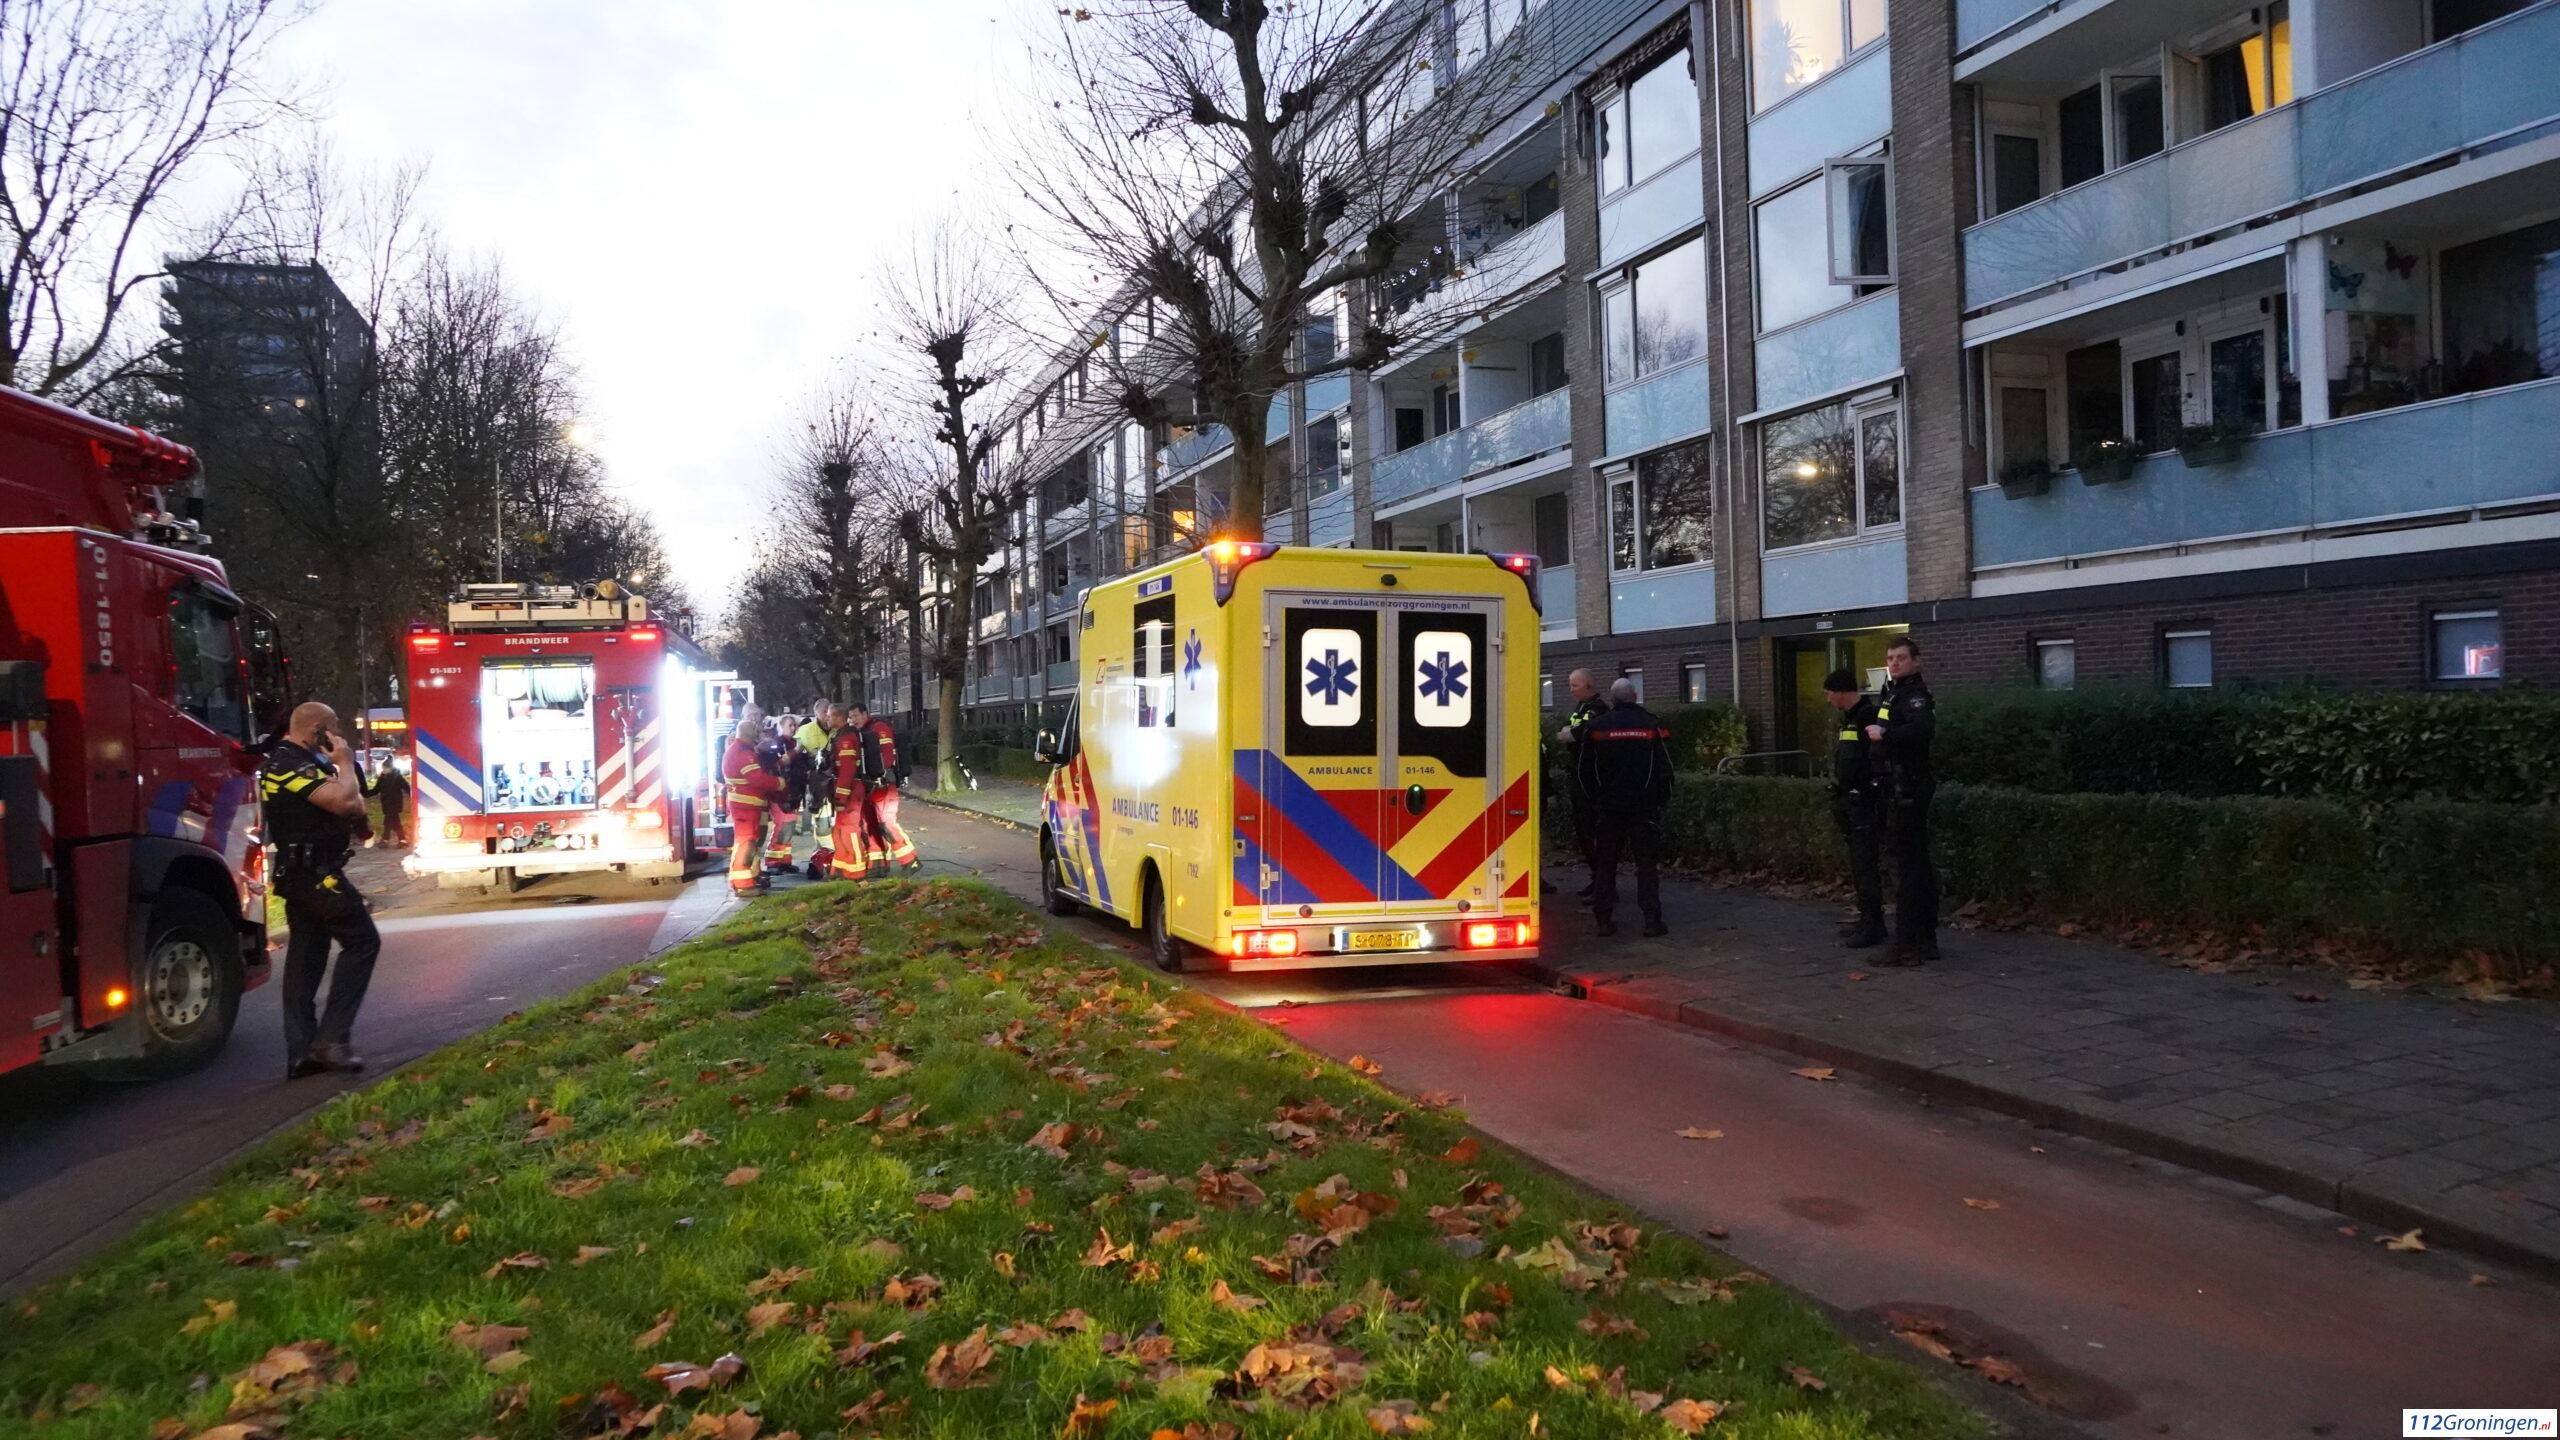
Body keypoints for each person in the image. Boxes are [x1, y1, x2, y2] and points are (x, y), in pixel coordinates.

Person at [260, 702, 379, 1079]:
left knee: (306, 958)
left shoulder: (299, 761)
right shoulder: (288, 763)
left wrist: (344, 776)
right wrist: (344, 762)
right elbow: (345, 801)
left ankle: (302, 1053)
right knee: (362, 942)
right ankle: (331, 1040)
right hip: (316, 875)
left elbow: (356, 806)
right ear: (318, 731)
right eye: (334, 728)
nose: (338, 735)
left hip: (304, 875)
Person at [1577, 677, 1672, 938]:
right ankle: (1652, 921)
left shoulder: (1596, 728)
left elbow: (1584, 772)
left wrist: (1593, 802)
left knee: (1606, 864)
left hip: (1608, 808)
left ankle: (1604, 920)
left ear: (1613, 699)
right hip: (1644, 808)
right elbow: (1666, 768)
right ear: (1635, 696)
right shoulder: (1652, 725)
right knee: (1646, 865)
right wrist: (1660, 800)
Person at [1867, 634, 1939, 965]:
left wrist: (1885, 735)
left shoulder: (1914, 696)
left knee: (1910, 869)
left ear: (1916, 661)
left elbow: (1921, 731)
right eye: (1890, 658)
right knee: (1910, 865)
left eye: (1901, 657)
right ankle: (1921, 941)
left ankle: (1910, 943)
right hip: (1894, 787)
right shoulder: (1892, 693)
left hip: (1907, 789)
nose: (1894, 663)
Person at [1824, 669, 1887, 950]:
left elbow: (1873, 760)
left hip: (1863, 803)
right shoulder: (1850, 719)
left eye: (1828, 693)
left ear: (1840, 691)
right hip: (1850, 802)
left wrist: (1865, 790)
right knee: (1858, 865)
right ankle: (1866, 920)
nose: (1827, 699)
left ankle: (1873, 925)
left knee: (1866, 865)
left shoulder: (1866, 717)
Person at [846, 702, 920, 874]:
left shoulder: (879, 728)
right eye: (850, 717)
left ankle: (910, 859)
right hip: (868, 786)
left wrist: (882, 775)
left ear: (865, 714)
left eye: (855, 716)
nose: (853, 720)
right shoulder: (860, 733)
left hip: (883, 784)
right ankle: (877, 863)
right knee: (869, 825)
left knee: (886, 823)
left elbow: (887, 754)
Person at [1552, 668, 1605, 897]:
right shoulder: (1581, 708)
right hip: (1579, 776)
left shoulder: (1598, 709)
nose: (1571, 690)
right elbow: (1572, 731)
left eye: (1575, 685)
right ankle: (1598, 879)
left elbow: (1581, 732)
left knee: (1591, 831)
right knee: (1583, 831)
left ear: (1588, 686)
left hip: (1590, 781)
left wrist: (1569, 734)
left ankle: (1602, 883)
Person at [722, 717, 785, 896]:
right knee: (746, 843)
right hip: (745, 807)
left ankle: (744, 879)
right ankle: (742, 884)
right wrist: (779, 783)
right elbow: (757, 778)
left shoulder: (739, 750)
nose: (759, 735)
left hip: (746, 806)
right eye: (756, 732)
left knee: (747, 842)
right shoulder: (743, 753)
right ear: (749, 734)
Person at [828, 703, 876, 880]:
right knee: (839, 830)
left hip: (850, 791)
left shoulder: (847, 739)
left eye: (829, 715)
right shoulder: (841, 735)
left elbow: (847, 770)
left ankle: (856, 871)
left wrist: (840, 798)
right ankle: (840, 869)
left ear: (839, 717)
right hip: (846, 790)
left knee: (849, 829)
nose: (827, 718)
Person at [366, 753, 411, 850]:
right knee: (395, 823)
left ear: (390, 768)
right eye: (383, 768)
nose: (384, 770)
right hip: (386, 804)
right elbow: (376, 790)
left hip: (394, 803)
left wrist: (413, 795)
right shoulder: (382, 778)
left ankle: (385, 840)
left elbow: (406, 787)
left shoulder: (397, 777)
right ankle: (402, 840)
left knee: (388, 822)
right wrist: (365, 794)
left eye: (385, 768)